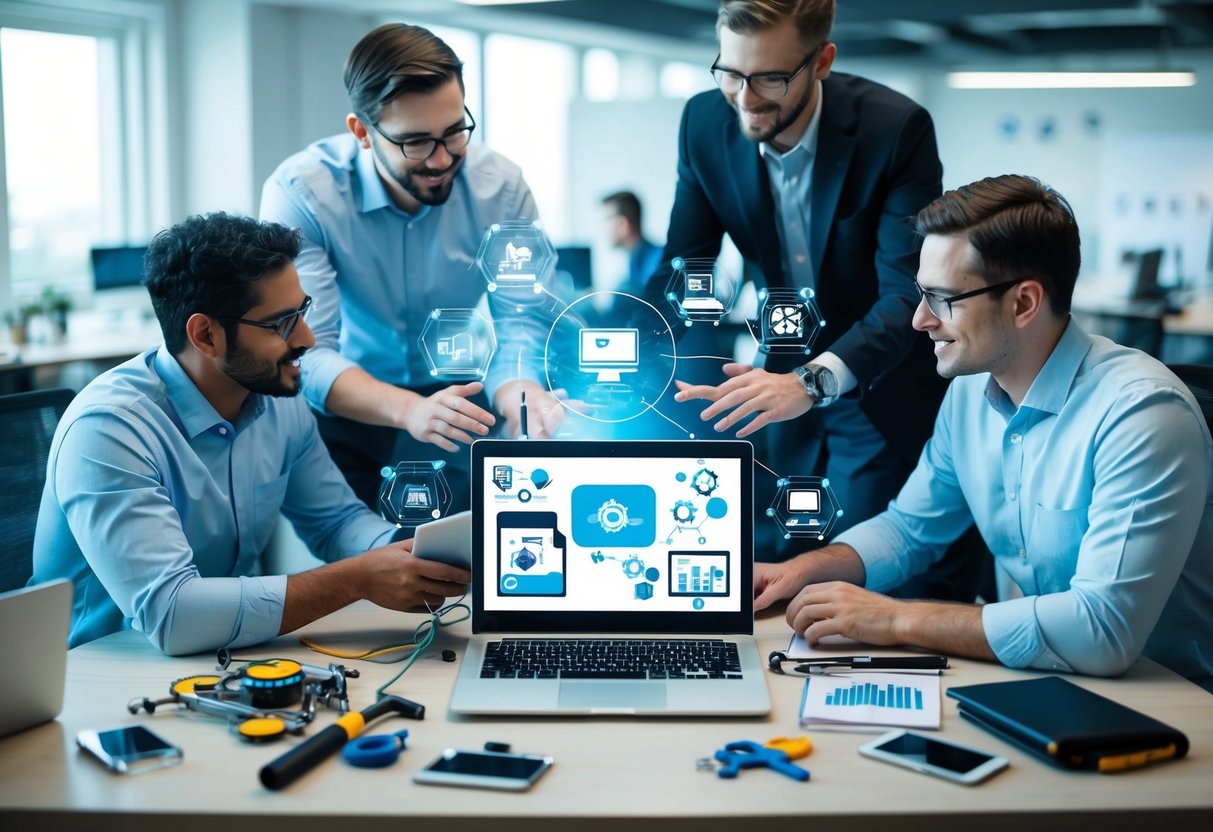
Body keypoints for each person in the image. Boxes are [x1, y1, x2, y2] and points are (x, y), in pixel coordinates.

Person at [755, 175, 1213, 689]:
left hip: (1171, 700)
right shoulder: (971, 395)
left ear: (1023, 303)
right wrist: (805, 569)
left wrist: (896, 619)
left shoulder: (1141, 415)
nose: (919, 320)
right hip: (1047, 684)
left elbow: (1102, 629)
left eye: (943, 298)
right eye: (919, 294)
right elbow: (910, 529)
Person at [29, 213, 471, 655]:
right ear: (206, 335)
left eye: (303, 311)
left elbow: (336, 521)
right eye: (281, 324)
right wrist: (357, 579)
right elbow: (173, 614)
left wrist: (411, 554)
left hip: (224, 656)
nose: (308, 339)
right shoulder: (109, 431)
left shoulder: (276, 399)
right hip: (99, 674)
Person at [663, 0, 951, 567]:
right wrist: (655, 379)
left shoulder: (895, 130)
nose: (744, 100)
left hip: (875, 383)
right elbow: (683, 270)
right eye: (730, 72)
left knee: (856, 569)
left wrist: (812, 382)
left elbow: (907, 293)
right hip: (775, 379)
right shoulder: (703, 122)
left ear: (822, 61)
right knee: (778, 560)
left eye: (770, 78)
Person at [260, 23, 562, 510]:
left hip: (457, 395)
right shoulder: (303, 193)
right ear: (362, 132)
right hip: (348, 398)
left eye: (454, 133)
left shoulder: (501, 189)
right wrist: (410, 410)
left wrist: (521, 396)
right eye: (416, 142)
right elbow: (304, 351)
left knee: (456, 554)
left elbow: (521, 319)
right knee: (365, 563)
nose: (442, 160)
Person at [601, 190, 664, 298]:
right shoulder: (634, 261)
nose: (602, 229)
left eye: (606, 220)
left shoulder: (658, 260)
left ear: (623, 224)